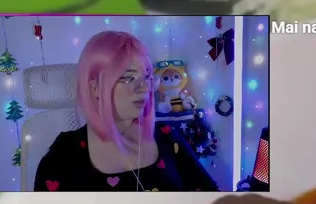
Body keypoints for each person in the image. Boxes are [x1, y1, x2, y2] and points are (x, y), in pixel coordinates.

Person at [34, 31, 219, 192]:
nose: (144, 88)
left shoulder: (166, 137)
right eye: (129, 78)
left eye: (147, 77)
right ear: (95, 88)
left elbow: (210, 200)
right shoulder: (64, 155)